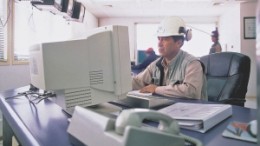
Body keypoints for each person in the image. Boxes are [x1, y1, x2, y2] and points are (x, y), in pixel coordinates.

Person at [132, 17, 207, 100]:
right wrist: (117, 82)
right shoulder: (156, 65)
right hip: (167, 109)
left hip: (189, 111)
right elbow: (138, 82)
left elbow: (191, 91)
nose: (159, 44)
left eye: (164, 39)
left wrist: (156, 89)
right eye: (159, 38)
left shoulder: (192, 64)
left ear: (179, 43)